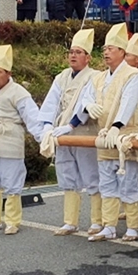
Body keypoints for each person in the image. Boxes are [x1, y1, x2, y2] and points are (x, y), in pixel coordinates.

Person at [78, 24, 138, 241]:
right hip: (104, 135)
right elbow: (86, 96)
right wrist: (88, 106)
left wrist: (117, 126)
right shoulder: (98, 77)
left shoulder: (133, 75)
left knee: (128, 181)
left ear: (123, 52)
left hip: (125, 135)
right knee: (106, 181)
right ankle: (109, 225)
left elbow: (128, 102)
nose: (106, 52)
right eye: (105, 48)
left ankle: (133, 226)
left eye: (111, 48)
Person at [0, 45, 45, 235]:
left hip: (10, 141)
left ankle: (12, 220)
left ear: (8, 73)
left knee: (12, 183)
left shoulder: (18, 92)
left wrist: (42, 137)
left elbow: (32, 117)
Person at [39, 29, 103, 235]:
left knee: (91, 174)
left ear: (88, 57)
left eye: (78, 52)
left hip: (84, 131)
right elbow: (51, 103)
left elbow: (88, 102)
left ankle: (97, 220)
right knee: (67, 174)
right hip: (63, 133)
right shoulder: (62, 77)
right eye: (71, 52)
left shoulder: (95, 77)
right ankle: (70, 221)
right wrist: (48, 125)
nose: (73, 55)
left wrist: (73, 124)